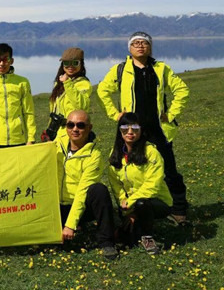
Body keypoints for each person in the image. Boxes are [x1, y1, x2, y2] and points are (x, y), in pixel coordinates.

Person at [97, 31, 190, 225]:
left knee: (169, 170)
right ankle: (131, 208)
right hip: (131, 130)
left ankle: (178, 210)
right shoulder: (120, 70)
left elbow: (181, 90)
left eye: (144, 43)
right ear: (129, 48)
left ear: (150, 47)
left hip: (157, 129)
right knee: (127, 168)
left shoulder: (161, 68)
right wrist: (115, 114)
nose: (140, 46)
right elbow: (102, 90)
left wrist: (171, 114)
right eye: (136, 43)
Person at [55, 110, 118, 260]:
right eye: (70, 125)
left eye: (81, 125)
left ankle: (106, 241)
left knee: (99, 190)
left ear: (89, 128)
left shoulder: (94, 156)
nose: (75, 129)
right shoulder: (57, 144)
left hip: (80, 205)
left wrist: (70, 225)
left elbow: (82, 192)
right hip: (56, 206)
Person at [108, 113, 173, 254]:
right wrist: (124, 202)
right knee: (127, 238)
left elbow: (152, 185)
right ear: (119, 131)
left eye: (135, 128)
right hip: (129, 204)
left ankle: (148, 237)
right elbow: (115, 184)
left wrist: (131, 203)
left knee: (142, 204)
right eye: (125, 128)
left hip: (156, 201)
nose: (130, 132)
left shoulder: (151, 152)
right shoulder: (115, 153)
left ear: (141, 130)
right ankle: (131, 227)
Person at [41, 48, 92, 142]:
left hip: (74, 131)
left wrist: (67, 83)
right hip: (57, 131)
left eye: (75, 63)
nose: (70, 66)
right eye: (66, 63)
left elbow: (81, 106)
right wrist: (49, 130)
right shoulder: (59, 84)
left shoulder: (84, 84)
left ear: (81, 64)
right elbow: (55, 110)